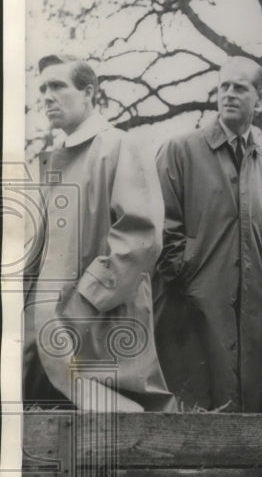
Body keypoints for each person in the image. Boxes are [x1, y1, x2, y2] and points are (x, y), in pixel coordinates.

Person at [23, 55, 175, 411]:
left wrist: (83, 304)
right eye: (42, 88)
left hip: (99, 334)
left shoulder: (120, 145)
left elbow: (140, 239)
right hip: (44, 339)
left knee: (118, 444)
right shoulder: (48, 164)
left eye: (57, 85)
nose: (46, 96)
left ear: (88, 92)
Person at [153, 57, 262, 412]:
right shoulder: (179, 151)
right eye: (224, 86)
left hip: (255, 321)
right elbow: (161, 229)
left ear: (259, 100)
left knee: (255, 434)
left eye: (240, 87)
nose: (229, 94)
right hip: (192, 316)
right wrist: (188, 275)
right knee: (197, 431)